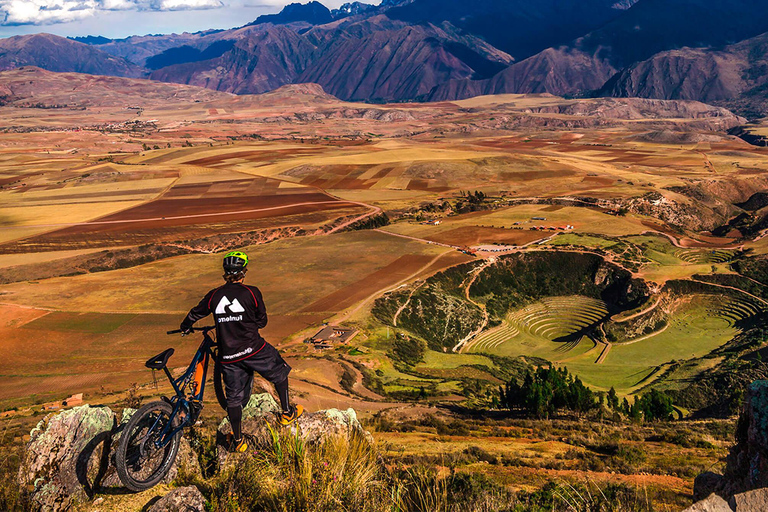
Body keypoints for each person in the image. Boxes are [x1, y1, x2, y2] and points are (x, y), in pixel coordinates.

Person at [180, 250, 303, 453]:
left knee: (234, 399)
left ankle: (237, 441)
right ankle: (287, 412)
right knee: (279, 372)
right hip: (254, 349)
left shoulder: (214, 295)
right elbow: (262, 321)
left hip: (228, 357)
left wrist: (186, 325)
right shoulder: (252, 293)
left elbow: (195, 314)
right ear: (243, 272)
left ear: (225, 273)